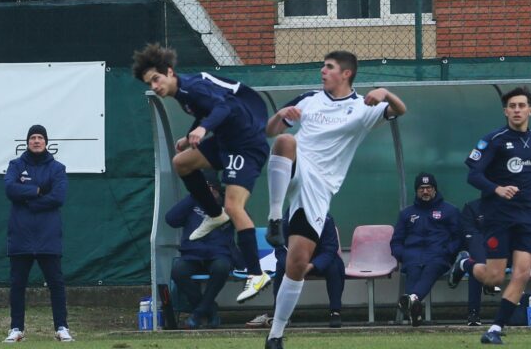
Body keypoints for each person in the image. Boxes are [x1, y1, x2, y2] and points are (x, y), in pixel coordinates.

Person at [263, 51, 406, 348]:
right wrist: (280, 115)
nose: (322, 71)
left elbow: (400, 110)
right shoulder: (308, 99)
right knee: (286, 140)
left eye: (329, 67)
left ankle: (275, 335)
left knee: (298, 263)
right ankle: (276, 217)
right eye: (323, 67)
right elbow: (271, 131)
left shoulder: (363, 106)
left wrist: (385, 93)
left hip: (320, 187)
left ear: (346, 74)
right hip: (296, 165)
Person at [132, 43, 271, 303]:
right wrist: (190, 136)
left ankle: (256, 273)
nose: (154, 86)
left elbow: (223, 108)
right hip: (226, 142)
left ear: (170, 72)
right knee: (181, 162)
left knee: (235, 206)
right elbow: (209, 109)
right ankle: (213, 214)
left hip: (245, 145)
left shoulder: (192, 87)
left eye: (156, 79)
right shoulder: (184, 95)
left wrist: (202, 129)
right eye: (149, 84)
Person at [448, 86, 531, 344]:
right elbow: (473, 175)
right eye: (512, 106)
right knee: (494, 276)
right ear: (505, 111)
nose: (517, 110)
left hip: (528, 216)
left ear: (530, 109)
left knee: (522, 273)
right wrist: (496, 188)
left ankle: (495, 328)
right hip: (498, 215)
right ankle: (465, 263)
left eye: (521, 106)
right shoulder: (494, 139)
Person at [3, 125, 73, 343]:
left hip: (48, 236)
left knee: (56, 284)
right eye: (32, 137)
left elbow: (58, 197)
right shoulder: (16, 165)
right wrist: (36, 190)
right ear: (27, 142)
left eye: (40, 137)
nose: (36, 141)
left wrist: (29, 202)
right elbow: (9, 189)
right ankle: (16, 329)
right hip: (20, 235)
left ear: (46, 142)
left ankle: (62, 327)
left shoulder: (57, 168)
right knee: (17, 285)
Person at [166, 170, 240, 329]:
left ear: (215, 188)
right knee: (178, 271)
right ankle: (209, 310)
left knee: (221, 267)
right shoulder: (193, 202)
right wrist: (194, 196)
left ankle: (198, 313)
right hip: (193, 253)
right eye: (202, 188)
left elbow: (244, 223)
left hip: (219, 253)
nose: (206, 192)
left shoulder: (227, 204)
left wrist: (228, 202)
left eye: (208, 188)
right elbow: (171, 219)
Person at [247, 212, 345, 329]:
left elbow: (330, 248)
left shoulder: (326, 218)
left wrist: (312, 265)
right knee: (280, 267)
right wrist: (292, 265)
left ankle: (335, 312)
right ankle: (280, 314)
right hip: (294, 261)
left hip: (318, 261)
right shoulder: (285, 220)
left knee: (336, 265)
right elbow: (280, 250)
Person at [461, 199, 531, 326]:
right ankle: (474, 314)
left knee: (514, 265)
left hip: (512, 254)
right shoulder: (475, 207)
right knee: (479, 263)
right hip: (486, 253)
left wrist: (529, 208)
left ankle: (502, 322)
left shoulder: (526, 206)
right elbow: (471, 236)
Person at [390, 172, 461, 327]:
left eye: (429, 187)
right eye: (422, 188)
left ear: (435, 189)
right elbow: (396, 241)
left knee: (431, 268)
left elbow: (458, 238)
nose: (425, 191)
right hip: (412, 256)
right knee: (414, 271)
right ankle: (414, 310)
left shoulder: (450, 210)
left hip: (438, 256)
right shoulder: (406, 213)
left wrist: (447, 251)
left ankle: (411, 300)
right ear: (416, 191)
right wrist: (403, 255)